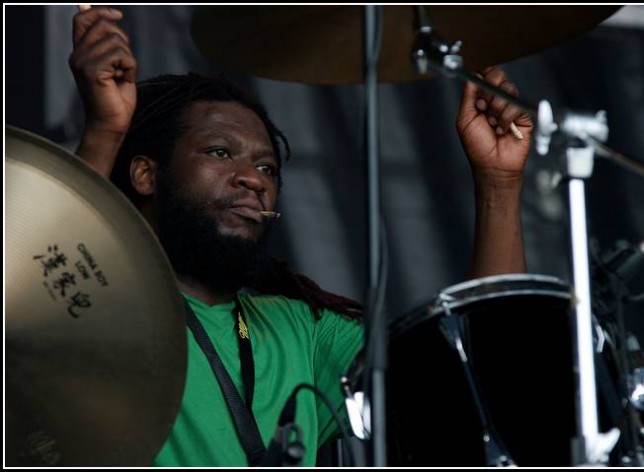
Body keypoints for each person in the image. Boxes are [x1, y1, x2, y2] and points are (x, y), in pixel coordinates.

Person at [69, 6, 532, 467]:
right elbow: (36, 281)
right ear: (147, 175)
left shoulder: (303, 329)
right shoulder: (101, 300)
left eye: (267, 166)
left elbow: (475, 385)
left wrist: (498, 182)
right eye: (220, 151)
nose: (253, 178)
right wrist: (105, 132)